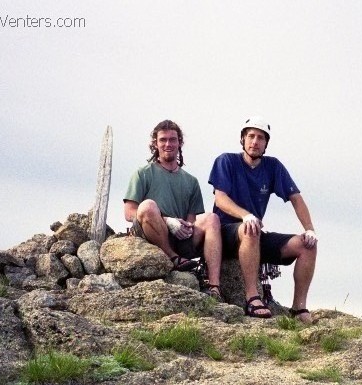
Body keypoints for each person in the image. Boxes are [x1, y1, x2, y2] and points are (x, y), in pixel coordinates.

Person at [208, 116, 318, 323]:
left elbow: (296, 198)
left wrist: (309, 229)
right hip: (227, 232)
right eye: (250, 136)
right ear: (242, 139)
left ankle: (298, 308)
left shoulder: (273, 166)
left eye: (260, 138)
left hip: (255, 234)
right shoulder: (226, 161)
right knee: (250, 228)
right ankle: (252, 297)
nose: (255, 142)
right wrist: (246, 215)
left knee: (307, 245)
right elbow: (220, 198)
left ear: (266, 143)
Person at [124, 119, 223, 301]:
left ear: (179, 143)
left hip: (181, 238)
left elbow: (192, 218)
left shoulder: (191, 181)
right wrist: (167, 222)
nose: (167, 144)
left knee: (212, 219)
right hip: (152, 233)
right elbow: (130, 212)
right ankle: (171, 257)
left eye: (172, 140)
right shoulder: (143, 173)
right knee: (147, 206)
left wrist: (184, 226)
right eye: (163, 140)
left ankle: (214, 286)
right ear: (155, 143)